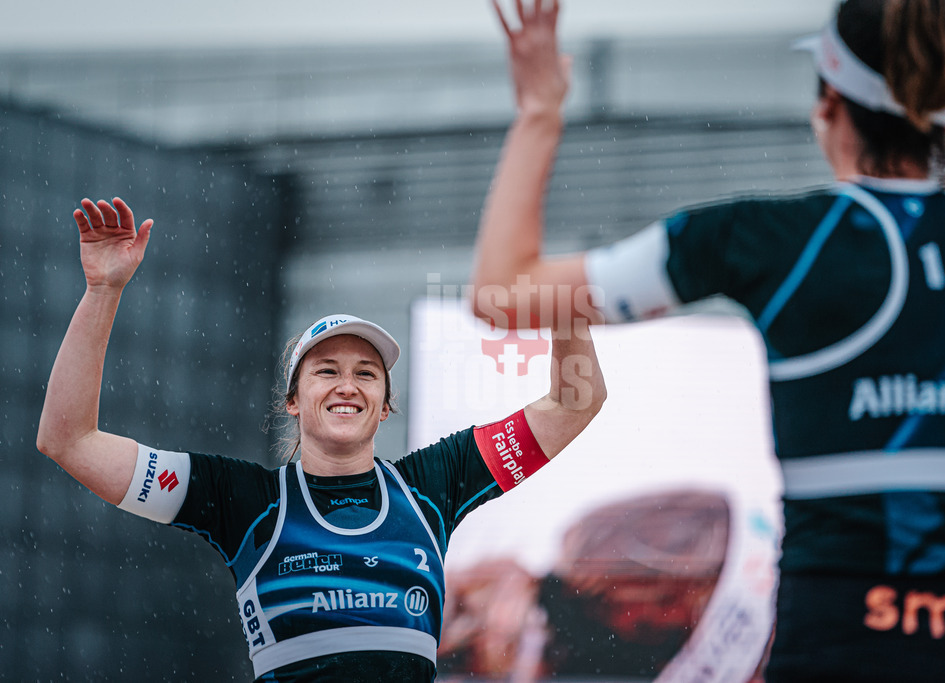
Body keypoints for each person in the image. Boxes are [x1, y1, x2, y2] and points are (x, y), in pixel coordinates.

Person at [474, 0, 945, 680]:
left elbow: (502, 291)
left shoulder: (766, 240)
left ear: (827, 100)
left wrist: (539, 110)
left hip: (833, 652)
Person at [36, 196, 606, 682]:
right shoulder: (244, 500)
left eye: (365, 374)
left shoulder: (433, 485)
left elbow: (576, 403)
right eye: (326, 370)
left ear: (385, 407)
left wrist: (564, 302)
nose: (347, 385)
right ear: (293, 400)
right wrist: (103, 290)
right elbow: (69, 440)